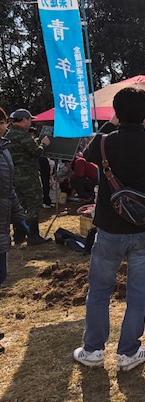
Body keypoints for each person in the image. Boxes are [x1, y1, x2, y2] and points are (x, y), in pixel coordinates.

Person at [73, 87, 145, 371]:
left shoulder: (104, 143)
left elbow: (91, 147)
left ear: (116, 112)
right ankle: (129, 353)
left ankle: (93, 350)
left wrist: (112, 121)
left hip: (109, 230)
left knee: (100, 291)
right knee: (138, 292)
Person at [0, 107, 27, 355]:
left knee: (1, 274)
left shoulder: (4, 148)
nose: (4, 125)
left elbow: (8, 188)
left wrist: (19, 216)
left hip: (3, 218)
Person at [6, 109, 51, 245]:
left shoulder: (8, 135)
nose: (30, 122)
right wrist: (43, 143)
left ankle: (19, 235)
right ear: (24, 120)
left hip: (14, 176)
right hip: (28, 176)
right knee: (34, 204)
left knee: (20, 205)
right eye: (29, 120)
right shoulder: (23, 136)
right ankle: (34, 236)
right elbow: (36, 152)